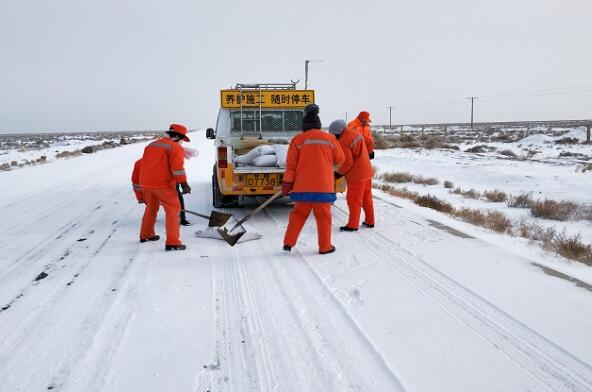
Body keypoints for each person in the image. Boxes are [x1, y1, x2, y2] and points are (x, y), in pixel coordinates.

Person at [282, 104, 345, 254]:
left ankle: (288, 243)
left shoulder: (298, 140)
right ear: (318, 124)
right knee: (324, 218)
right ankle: (325, 247)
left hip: (302, 188)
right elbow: (340, 158)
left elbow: (291, 166)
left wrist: (287, 183)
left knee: (298, 215)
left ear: (305, 126)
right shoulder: (329, 138)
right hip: (323, 188)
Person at [138, 123, 192, 251]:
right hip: (163, 184)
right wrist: (184, 184)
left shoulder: (151, 145)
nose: (182, 142)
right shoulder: (175, 147)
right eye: (183, 139)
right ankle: (173, 242)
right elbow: (177, 169)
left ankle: (146, 234)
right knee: (173, 210)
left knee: (151, 209)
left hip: (146, 183)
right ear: (178, 137)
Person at [329, 120, 375, 231]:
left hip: (357, 175)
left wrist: (337, 174)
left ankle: (353, 225)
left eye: (333, 134)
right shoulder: (355, 133)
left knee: (353, 200)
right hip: (367, 171)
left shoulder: (344, 140)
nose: (333, 136)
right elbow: (368, 142)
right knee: (366, 198)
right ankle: (370, 221)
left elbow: (348, 162)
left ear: (338, 132)